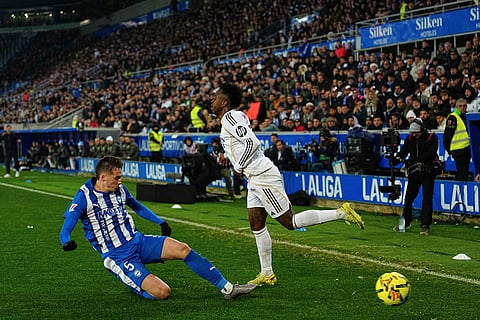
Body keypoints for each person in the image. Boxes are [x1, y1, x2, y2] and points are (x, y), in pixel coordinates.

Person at [210, 83, 364, 286]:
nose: (211, 100)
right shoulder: (231, 119)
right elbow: (242, 146)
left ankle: (341, 213)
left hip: (262, 175)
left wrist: (238, 165)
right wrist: (228, 158)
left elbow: (252, 143)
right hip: (254, 178)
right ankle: (267, 273)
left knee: (289, 222)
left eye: (215, 97)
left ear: (224, 102)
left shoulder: (230, 117)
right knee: (256, 224)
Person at [59, 156, 256, 300]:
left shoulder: (119, 190)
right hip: (118, 256)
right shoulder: (84, 197)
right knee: (163, 293)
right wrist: (66, 241)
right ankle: (134, 282)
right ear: (102, 177)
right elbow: (68, 224)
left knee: (183, 249)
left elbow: (136, 205)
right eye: (117, 177)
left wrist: (160, 222)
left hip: (138, 241)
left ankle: (228, 288)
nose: (121, 181)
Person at [394, 119, 439, 235]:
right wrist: (396, 159)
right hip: (414, 172)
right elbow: (403, 152)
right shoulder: (410, 139)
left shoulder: (431, 138)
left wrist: (411, 161)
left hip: (428, 171)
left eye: (416, 133)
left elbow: (430, 154)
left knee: (427, 199)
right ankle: (406, 222)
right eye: (412, 133)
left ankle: (425, 225)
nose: (414, 135)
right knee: (408, 198)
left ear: (422, 130)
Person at [444, 99, 471, 181]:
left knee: (465, 172)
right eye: (460, 106)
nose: (463, 108)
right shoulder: (453, 117)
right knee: (462, 172)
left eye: (464, 106)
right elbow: (447, 135)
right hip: (457, 149)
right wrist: (448, 148)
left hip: (466, 148)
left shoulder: (466, 116)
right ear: (456, 107)